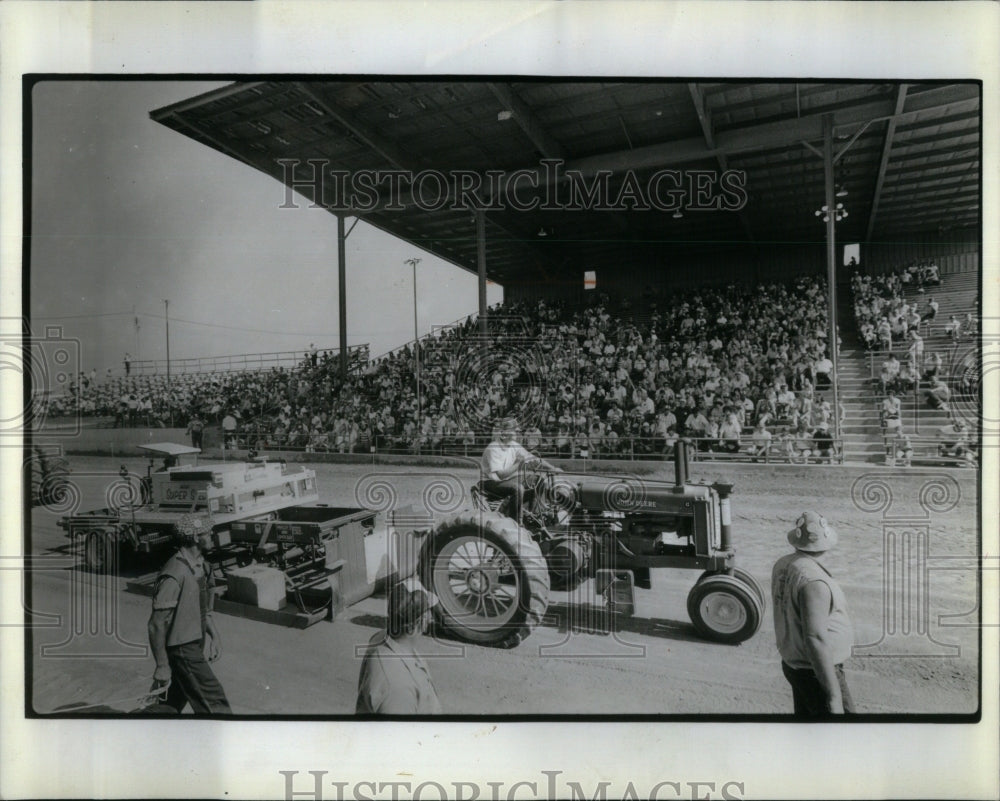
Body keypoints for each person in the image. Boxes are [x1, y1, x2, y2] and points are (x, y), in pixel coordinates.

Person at [771, 511, 855, 717]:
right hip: (817, 671)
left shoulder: (784, 564)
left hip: (795, 664)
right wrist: (833, 695)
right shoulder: (814, 582)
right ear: (826, 544)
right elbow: (815, 638)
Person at [147, 514, 231, 714]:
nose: (212, 535)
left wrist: (215, 636)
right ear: (194, 537)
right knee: (213, 701)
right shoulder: (174, 573)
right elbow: (156, 624)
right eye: (207, 532)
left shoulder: (202, 566)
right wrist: (161, 665)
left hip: (195, 640)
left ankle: (152, 730)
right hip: (183, 648)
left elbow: (204, 609)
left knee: (174, 699)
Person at [356, 580, 442, 715]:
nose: (431, 616)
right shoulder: (398, 688)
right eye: (428, 611)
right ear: (422, 622)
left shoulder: (383, 638)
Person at [480, 417, 560, 523]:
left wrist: (552, 468)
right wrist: (519, 463)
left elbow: (533, 459)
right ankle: (515, 522)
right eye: (515, 431)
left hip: (508, 479)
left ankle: (534, 514)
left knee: (539, 480)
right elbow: (500, 475)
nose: (517, 434)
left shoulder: (514, 445)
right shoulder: (493, 448)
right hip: (491, 482)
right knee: (518, 488)